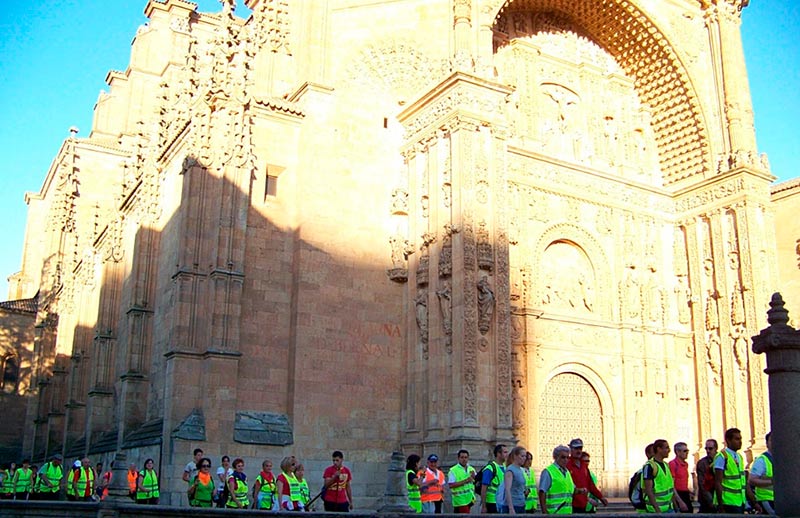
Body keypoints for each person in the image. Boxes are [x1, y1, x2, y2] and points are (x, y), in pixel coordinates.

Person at [643, 439, 687, 513]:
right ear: (659, 449)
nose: (669, 450)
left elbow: (670, 488)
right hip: (656, 511)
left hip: (669, 508)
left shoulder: (666, 465)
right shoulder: (649, 466)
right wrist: (658, 511)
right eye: (666, 448)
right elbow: (649, 491)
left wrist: (676, 508)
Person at [566, 438, 607, 513]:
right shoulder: (567, 465)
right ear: (570, 449)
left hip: (583, 505)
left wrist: (601, 497)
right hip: (571, 505)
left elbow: (590, 484)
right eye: (576, 448)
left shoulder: (583, 466)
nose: (578, 451)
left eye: (580, 448)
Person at [539, 445, 580, 514]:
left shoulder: (567, 472)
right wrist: (544, 512)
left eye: (567, 457)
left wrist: (581, 491)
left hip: (567, 512)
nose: (566, 460)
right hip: (554, 513)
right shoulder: (548, 472)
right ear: (555, 457)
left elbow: (571, 490)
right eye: (563, 457)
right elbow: (542, 493)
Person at [714, 428, 746, 513]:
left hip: (740, 502)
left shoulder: (739, 457)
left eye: (740, 439)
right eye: (737, 439)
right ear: (728, 440)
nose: (740, 442)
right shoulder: (722, 457)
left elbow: (743, 482)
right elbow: (718, 482)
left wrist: (754, 502)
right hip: (727, 503)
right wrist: (720, 505)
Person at [748, 432, 775, 515]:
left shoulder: (783, 458)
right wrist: (771, 482)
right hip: (766, 499)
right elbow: (751, 480)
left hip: (780, 499)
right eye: (771, 440)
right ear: (767, 444)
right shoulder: (762, 460)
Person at [481, 444, 508, 513]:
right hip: (492, 503)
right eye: (505, 452)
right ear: (498, 454)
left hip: (502, 501)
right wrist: (484, 506)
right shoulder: (490, 468)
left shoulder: (505, 467)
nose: (507, 455)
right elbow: (484, 488)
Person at [448, 449, 477, 513]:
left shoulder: (471, 469)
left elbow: (475, 481)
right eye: (462, 457)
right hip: (459, 500)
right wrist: (466, 481)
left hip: (470, 499)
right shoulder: (453, 470)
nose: (464, 459)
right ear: (458, 458)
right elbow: (451, 485)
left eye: (466, 457)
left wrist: (475, 477)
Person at [503, 446, 529, 514]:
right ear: (515, 456)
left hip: (521, 504)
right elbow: (507, 489)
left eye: (525, 456)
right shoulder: (510, 470)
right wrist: (511, 508)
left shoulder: (520, 470)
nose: (524, 458)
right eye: (522, 456)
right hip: (514, 505)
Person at [669, 442, 693, 513]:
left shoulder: (685, 464)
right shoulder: (673, 464)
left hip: (685, 494)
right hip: (678, 495)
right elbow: (671, 485)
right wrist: (680, 501)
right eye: (685, 451)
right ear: (678, 452)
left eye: (687, 451)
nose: (687, 453)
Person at [695, 439, 717, 513]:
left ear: (715, 449)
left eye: (710, 448)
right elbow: (702, 485)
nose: (708, 451)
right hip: (706, 501)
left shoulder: (720, 460)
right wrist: (711, 502)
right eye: (706, 448)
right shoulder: (702, 463)